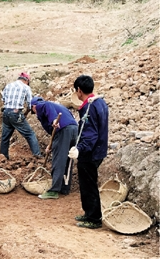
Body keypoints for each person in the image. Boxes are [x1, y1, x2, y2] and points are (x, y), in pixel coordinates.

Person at [68, 75, 109, 229]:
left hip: (90, 152)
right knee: (89, 182)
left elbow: (90, 134)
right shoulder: (100, 102)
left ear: (79, 91)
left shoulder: (88, 107)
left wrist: (79, 148)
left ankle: (94, 218)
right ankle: (89, 213)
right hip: (99, 149)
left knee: (88, 184)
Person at [30, 96, 78, 199]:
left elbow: (50, 111)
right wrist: (51, 145)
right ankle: (65, 188)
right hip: (74, 130)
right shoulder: (60, 107)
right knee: (69, 159)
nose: (36, 113)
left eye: (34, 111)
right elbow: (54, 134)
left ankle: (54, 190)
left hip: (63, 131)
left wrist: (54, 120)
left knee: (58, 159)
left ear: (34, 107)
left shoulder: (42, 105)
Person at [0, 72, 42, 159]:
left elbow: (3, 100)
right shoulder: (26, 87)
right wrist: (26, 113)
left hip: (6, 112)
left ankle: (3, 158)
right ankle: (37, 156)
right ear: (26, 80)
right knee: (30, 134)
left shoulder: (8, 86)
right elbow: (31, 104)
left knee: (5, 137)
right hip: (16, 113)